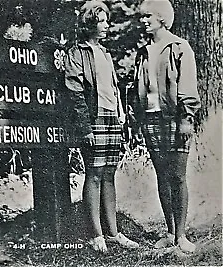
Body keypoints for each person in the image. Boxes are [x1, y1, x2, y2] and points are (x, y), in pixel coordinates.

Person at [64, 1, 139, 253]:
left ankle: (114, 233)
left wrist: (120, 116)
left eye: (107, 21)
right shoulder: (77, 54)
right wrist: (85, 128)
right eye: (102, 21)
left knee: (109, 174)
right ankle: (96, 235)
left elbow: (114, 91)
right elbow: (74, 94)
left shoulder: (106, 53)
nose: (107, 25)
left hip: (111, 119)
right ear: (89, 24)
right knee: (94, 175)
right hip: (93, 121)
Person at [128, 0, 201, 253]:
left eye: (147, 16)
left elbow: (188, 87)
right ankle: (170, 232)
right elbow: (138, 90)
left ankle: (182, 235)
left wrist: (186, 118)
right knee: (162, 176)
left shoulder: (180, 48)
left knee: (177, 176)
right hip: (150, 120)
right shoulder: (143, 52)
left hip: (175, 119)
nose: (143, 21)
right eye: (141, 17)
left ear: (161, 17)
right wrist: (137, 118)